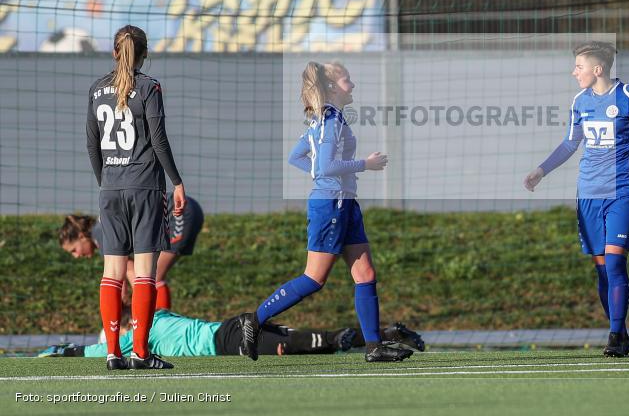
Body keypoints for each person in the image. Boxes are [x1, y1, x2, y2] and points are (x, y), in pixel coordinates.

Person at [238, 61, 412, 363]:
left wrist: (323, 174)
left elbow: (298, 157)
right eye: (347, 80)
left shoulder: (328, 119)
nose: (352, 85)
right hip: (331, 205)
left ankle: (374, 348)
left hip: (345, 203)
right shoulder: (330, 121)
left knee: (366, 274)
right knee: (314, 278)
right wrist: (364, 165)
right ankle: (255, 320)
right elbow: (326, 166)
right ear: (332, 87)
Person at [524, 41, 629, 357]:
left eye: (579, 66)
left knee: (615, 262)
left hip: (623, 191)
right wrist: (541, 170)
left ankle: (614, 335)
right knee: (602, 269)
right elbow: (570, 143)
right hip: (588, 193)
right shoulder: (580, 101)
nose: (574, 72)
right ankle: (620, 332)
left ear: (597, 69)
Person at [86, 25, 186, 371]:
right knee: (144, 273)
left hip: (110, 189)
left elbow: (92, 145)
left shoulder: (97, 89)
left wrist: (106, 183)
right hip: (145, 187)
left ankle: (113, 353)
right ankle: (141, 353)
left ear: (115, 52)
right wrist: (177, 182)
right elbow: (158, 140)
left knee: (112, 273)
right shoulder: (149, 87)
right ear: (144, 54)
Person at [39, 310, 424, 359]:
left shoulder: (136, 334)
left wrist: (64, 351)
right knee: (322, 339)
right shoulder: (157, 314)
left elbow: (100, 352)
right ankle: (388, 332)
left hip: (230, 341)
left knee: (318, 343)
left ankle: (384, 336)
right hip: (233, 327)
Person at [57, 193, 203, 310]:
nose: (76, 256)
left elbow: (123, 272)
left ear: (81, 236)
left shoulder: (100, 233)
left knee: (152, 278)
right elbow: (127, 270)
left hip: (178, 213)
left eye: (73, 250)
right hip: (186, 208)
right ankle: (156, 323)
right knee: (150, 277)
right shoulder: (101, 228)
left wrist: (122, 302)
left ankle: (158, 326)